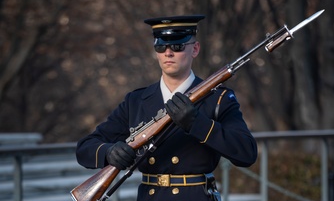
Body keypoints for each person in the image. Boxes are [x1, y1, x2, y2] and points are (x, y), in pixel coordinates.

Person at [76, 15, 258, 201]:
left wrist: (197, 124)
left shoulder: (218, 98)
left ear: (195, 49)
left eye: (177, 46)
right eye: (161, 46)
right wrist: (109, 152)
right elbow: (85, 148)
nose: (168, 53)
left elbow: (246, 153)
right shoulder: (136, 100)